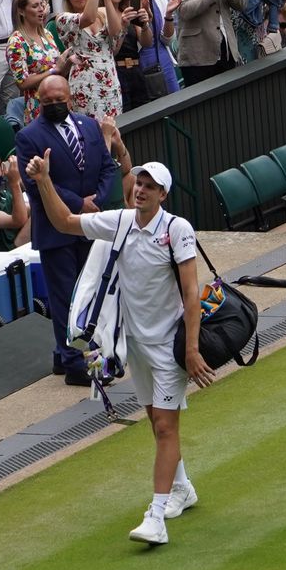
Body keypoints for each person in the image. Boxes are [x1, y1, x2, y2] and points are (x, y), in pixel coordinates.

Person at [24, 154, 208, 544]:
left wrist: (191, 349)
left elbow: (192, 293)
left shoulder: (178, 231)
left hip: (168, 348)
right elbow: (64, 222)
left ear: (163, 194)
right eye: (138, 183)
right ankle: (183, 488)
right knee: (156, 422)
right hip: (135, 347)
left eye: (149, 186)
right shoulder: (121, 222)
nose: (140, 189)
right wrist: (43, 181)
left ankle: (156, 516)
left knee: (164, 424)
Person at [15, 75, 115, 384]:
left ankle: (63, 354)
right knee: (66, 298)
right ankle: (75, 363)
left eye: (60, 100)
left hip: (89, 226)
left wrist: (97, 198)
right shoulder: (29, 136)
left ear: (70, 98)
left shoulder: (88, 125)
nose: (55, 105)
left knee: (91, 293)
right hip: (56, 232)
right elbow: (35, 182)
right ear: (40, 102)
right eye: (48, 102)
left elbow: (107, 166)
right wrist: (79, 203)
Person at [57, 0, 125, 117]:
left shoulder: (104, 12)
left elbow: (116, 33)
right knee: (91, 133)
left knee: (115, 130)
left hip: (110, 82)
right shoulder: (63, 19)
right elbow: (88, 18)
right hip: (85, 85)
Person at [7, 0, 71, 124]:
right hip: (38, 106)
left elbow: (59, 70)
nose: (41, 9)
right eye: (35, 6)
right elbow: (22, 83)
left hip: (59, 100)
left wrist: (69, 62)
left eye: (41, 5)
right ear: (21, 11)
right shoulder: (16, 41)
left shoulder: (47, 34)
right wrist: (53, 70)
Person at [125, 0, 181, 94]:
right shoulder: (125, 7)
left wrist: (168, 16)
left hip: (164, 61)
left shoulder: (160, 1)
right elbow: (141, 44)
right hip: (141, 64)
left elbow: (168, 40)